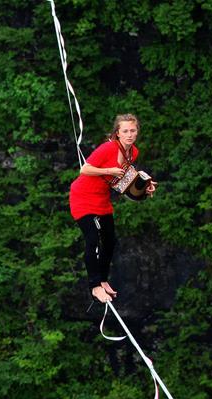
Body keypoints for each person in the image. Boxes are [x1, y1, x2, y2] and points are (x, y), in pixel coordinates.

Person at [69, 114, 157, 303]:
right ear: (117, 133)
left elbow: (123, 183)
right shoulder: (107, 148)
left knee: (110, 241)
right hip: (82, 197)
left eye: (133, 130)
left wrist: (145, 187)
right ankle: (94, 286)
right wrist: (108, 170)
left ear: (137, 132)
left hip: (102, 199)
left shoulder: (133, 152)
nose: (129, 134)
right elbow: (85, 169)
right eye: (125, 131)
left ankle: (103, 279)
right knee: (92, 239)